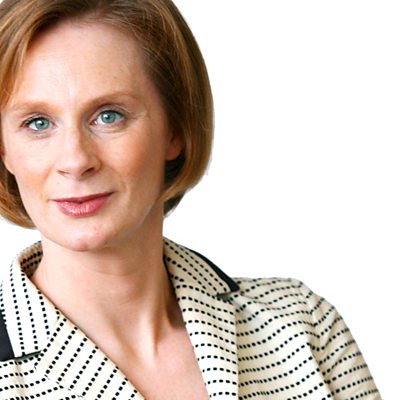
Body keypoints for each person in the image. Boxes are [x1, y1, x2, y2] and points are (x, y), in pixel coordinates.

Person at [0, 0, 381, 399]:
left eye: (109, 116)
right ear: (4, 148)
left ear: (176, 128)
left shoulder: (304, 326)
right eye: (37, 123)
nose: (75, 161)